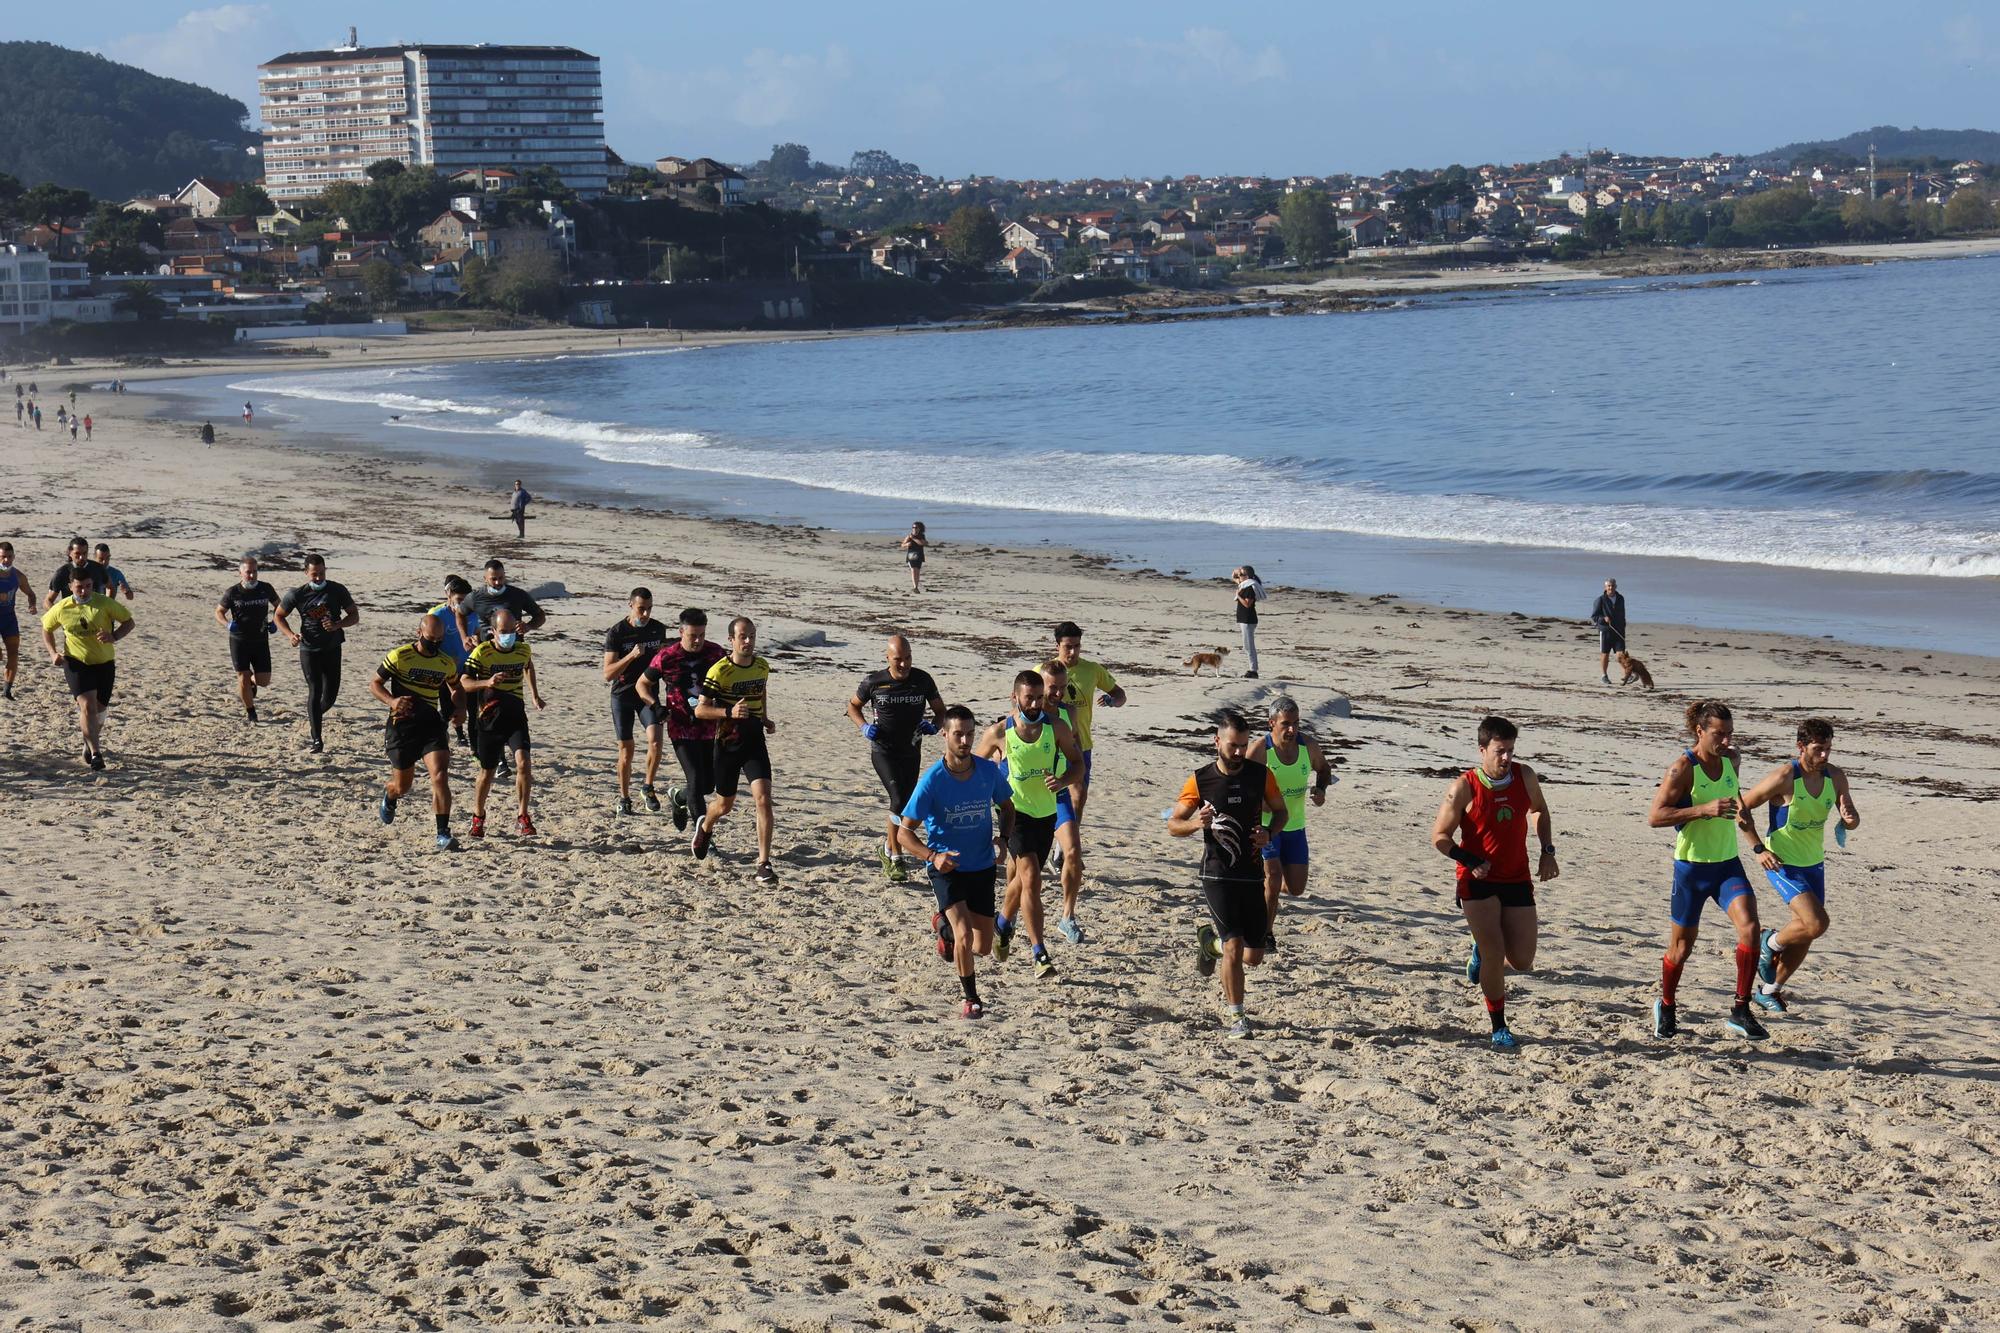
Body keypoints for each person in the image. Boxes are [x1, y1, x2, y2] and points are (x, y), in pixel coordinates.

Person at [1428, 715, 1558, 1050]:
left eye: (1511, 751)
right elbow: (1440, 836)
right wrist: (1468, 859)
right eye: (1500, 751)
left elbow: (1540, 810)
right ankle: (1499, 1026)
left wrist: (1547, 850)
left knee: (1523, 960)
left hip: (1516, 876)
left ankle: (1481, 956)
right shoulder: (1464, 787)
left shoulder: (1524, 776)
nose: (1506, 758)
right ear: (1482, 749)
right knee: (1493, 949)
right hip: (1476, 880)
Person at [1647, 700, 1766, 1041]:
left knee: (1751, 927)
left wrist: (1757, 845)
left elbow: (1737, 805)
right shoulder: (1682, 769)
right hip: (1691, 869)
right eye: (1719, 734)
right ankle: (1667, 1005)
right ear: (1700, 731)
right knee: (1681, 950)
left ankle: (1741, 1010)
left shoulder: (1732, 760)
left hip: (1727, 865)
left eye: (1730, 734)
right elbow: (1656, 816)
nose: (1727, 741)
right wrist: (1703, 809)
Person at [1167, 710, 1287, 1039]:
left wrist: (1270, 834)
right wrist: (1195, 823)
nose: (1238, 753)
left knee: (1254, 956)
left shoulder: (1261, 776)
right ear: (1216, 741)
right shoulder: (1200, 779)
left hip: (1251, 875)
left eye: (1243, 746)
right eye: (1233, 746)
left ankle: (1210, 944)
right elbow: (1174, 824)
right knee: (1235, 946)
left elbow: (1281, 812)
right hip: (1216, 874)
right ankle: (1238, 1018)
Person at [897, 704, 1015, 1019]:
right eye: (958, 734)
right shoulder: (932, 781)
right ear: (945, 735)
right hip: (945, 869)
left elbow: (1007, 806)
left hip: (982, 866)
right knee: (964, 935)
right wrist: (933, 856)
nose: (964, 741)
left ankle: (943, 928)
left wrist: (1002, 839)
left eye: (969, 734)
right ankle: (971, 999)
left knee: (982, 947)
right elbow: (903, 834)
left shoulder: (988, 771)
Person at [1737, 718, 1861, 1013]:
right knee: (1817, 922)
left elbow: (1851, 818)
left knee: (1809, 931)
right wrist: (1758, 848)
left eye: (1829, 749)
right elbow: (1741, 808)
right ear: (1801, 747)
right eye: (1818, 749)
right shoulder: (1784, 777)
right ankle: (1770, 943)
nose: (1825, 756)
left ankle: (1769, 990)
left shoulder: (1836, 777)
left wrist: (1849, 819)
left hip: (1814, 863)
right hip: (1782, 862)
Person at [976, 670, 1084, 979]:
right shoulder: (999, 733)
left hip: (1046, 814)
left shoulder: (1058, 728)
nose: (1036, 704)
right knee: (1031, 877)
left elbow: (1078, 765)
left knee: (1022, 882)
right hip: (1014, 813)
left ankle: (1001, 924)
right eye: (1029, 698)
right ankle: (1039, 953)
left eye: (1039, 697)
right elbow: (975, 769)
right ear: (1015, 697)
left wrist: (1062, 780)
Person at [1048, 621, 1126, 942]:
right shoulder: (1043, 671)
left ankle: (1064, 849)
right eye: (1068, 646)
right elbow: (1022, 702)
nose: (1073, 651)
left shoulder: (1092, 671)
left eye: (1077, 646)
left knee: (1077, 799)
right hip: (1047, 750)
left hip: (1082, 747)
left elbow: (1120, 694)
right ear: (1057, 646)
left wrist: (1112, 701)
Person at [847, 634, 945, 881]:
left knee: (905, 804)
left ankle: (888, 847)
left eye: (908, 658)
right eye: (898, 659)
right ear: (887, 658)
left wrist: (934, 725)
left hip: (911, 750)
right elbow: (852, 707)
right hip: (883, 750)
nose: (904, 664)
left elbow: (941, 711)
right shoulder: (874, 681)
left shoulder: (922, 680)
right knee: (898, 799)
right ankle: (896, 857)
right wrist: (863, 727)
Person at [693, 616, 779, 884]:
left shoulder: (762, 666)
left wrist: (764, 717)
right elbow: (700, 709)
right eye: (743, 636)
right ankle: (705, 826)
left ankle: (763, 863)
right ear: (731, 639)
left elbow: (760, 691)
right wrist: (728, 711)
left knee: (763, 798)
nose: (748, 641)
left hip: (754, 740)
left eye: (752, 636)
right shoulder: (719, 671)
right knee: (724, 805)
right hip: (728, 742)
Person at [1246, 696, 1335, 949]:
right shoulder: (1260, 751)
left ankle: (1262, 890)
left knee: (1295, 888)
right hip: (1266, 826)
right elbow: (1242, 787)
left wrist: (1320, 790)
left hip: (1295, 827)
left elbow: (1324, 769)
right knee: (1273, 879)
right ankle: (1265, 934)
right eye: (1286, 724)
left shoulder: (1309, 746)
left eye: (1296, 723)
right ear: (1271, 723)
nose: (1292, 729)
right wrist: (1264, 804)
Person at [370, 614, 464, 852]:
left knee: (440, 775)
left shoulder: (445, 662)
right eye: (431, 639)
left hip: (431, 724)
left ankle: (443, 833)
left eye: (440, 640)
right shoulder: (400, 656)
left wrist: (459, 708)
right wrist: (392, 701)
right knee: (403, 786)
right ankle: (390, 795)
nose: (435, 644)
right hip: (402, 726)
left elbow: (456, 687)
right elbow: (375, 683)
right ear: (419, 633)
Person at [637, 608, 726, 833]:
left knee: (708, 785)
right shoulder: (667, 656)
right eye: (692, 635)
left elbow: (729, 682)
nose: (697, 641)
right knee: (695, 780)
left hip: (709, 725)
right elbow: (642, 684)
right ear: (681, 632)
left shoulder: (716, 653)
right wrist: (655, 706)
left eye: (702, 635)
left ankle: (678, 796)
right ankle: (704, 836)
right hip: (681, 727)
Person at [462, 608, 546, 838]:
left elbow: (528, 666)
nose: (508, 635)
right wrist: (487, 682)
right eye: (503, 631)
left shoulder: (522, 649)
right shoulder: (482, 653)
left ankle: (523, 816)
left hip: (515, 716)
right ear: (493, 632)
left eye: (511, 631)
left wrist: (534, 695)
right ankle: (478, 817)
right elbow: (465, 682)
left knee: (524, 763)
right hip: (490, 718)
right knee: (487, 772)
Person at [40, 568, 133, 769]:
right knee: (87, 706)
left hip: (104, 662)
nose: (84, 591)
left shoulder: (104, 602)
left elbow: (129, 622)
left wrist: (114, 636)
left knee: (99, 711)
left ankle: (88, 741)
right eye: (79, 587)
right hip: (76, 662)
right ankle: (96, 753)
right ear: (70, 586)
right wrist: (53, 653)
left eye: (88, 586)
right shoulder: (62, 607)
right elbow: (46, 629)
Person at [275, 553, 359, 753]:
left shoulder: (337, 590)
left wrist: (338, 624)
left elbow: (354, 615)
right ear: (306, 573)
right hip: (309, 649)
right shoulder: (297, 594)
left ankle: (314, 717)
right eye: (314, 574)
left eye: (321, 573)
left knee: (329, 697)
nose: (319, 578)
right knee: (314, 690)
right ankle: (317, 739)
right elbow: (278, 616)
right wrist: (290, 635)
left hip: (332, 648)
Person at [601, 587, 669, 815]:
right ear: (631, 605)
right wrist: (630, 656)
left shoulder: (658, 629)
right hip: (622, 695)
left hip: (647, 694)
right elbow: (608, 674)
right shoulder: (617, 632)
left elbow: (662, 662)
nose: (645, 614)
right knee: (626, 750)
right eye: (641, 609)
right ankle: (624, 797)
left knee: (656, 741)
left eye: (649, 609)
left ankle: (648, 787)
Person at [216, 556, 280, 722]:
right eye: (248, 572)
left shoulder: (266, 588)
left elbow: (280, 607)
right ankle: (251, 712)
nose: (251, 576)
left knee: (263, 681)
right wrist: (228, 624)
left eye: (254, 572)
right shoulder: (233, 592)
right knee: (242, 676)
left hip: (260, 640)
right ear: (240, 573)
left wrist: (275, 622)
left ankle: (252, 680)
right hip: (239, 640)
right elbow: (219, 612)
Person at [430, 576, 480, 744]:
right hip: (445, 670)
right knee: (448, 709)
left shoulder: (473, 614)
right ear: (449, 595)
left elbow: (479, 633)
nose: (462, 605)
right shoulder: (438, 615)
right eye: (459, 600)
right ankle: (441, 739)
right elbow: (428, 642)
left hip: (468, 670)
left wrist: (478, 642)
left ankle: (474, 747)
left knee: (473, 710)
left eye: (466, 600)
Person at [467, 559, 545, 637]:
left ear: (504, 575)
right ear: (485, 579)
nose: (497, 582)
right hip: (486, 647)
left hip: (515, 646)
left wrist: (528, 626)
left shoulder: (518, 595)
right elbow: (460, 613)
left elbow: (540, 616)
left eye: (500, 578)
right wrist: (465, 637)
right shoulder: (475, 597)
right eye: (493, 579)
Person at [43, 537, 107, 611]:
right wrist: (57, 615)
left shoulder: (97, 568)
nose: (81, 557)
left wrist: (108, 609)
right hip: (72, 615)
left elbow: (110, 587)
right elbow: (48, 601)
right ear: (70, 553)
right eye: (77, 553)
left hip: (96, 615)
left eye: (84, 553)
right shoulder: (62, 573)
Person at [1590, 578, 1627, 685]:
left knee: (1621, 655)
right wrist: (1603, 619)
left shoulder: (1621, 598)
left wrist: (1623, 625)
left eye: (1612, 585)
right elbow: (1594, 616)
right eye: (1609, 586)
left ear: (1616, 586)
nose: (1611, 588)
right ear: (1605, 587)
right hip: (1605, 631)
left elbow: (1623, 614)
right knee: (1605, 654)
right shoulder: (1600, 600)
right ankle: (1604, 676)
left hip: (1619, 630)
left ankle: (1626, 675)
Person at [0, 541, 24, 700]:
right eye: (2, 557)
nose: (6, 560)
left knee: (13, 654)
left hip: (9, 619)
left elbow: (30, 592)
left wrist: (32, 603)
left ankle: (7, 690)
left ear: (14, 557)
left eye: (9, 557)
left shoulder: (18, 576)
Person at [1233, 565, 1265, 679]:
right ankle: (1252, 669)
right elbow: (1233, 576)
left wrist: (1238, 596)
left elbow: (1247, 604)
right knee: (1246, 646)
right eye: (1239, 574)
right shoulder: (1243, 585)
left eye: (1241, 574)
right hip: (1243, 619)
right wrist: (1238, 570)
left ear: (1247, 576)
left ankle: (1253, 671)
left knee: (1249, 646)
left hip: (1248, 619)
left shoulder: (1250, 587)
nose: (1239, 576)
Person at [898, 521, 927, 592]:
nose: (914, 529)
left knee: (917, 571)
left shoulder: (921, 536)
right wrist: (906, 544)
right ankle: (915, 587)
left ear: (919, 528)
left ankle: (916, 585)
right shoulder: (909, 536)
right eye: (913, 527)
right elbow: (902, 545)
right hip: (911, 556)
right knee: (913, 570)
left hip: (919, 555)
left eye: (916, 527)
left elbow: (922, 543)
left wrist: (913, 538)